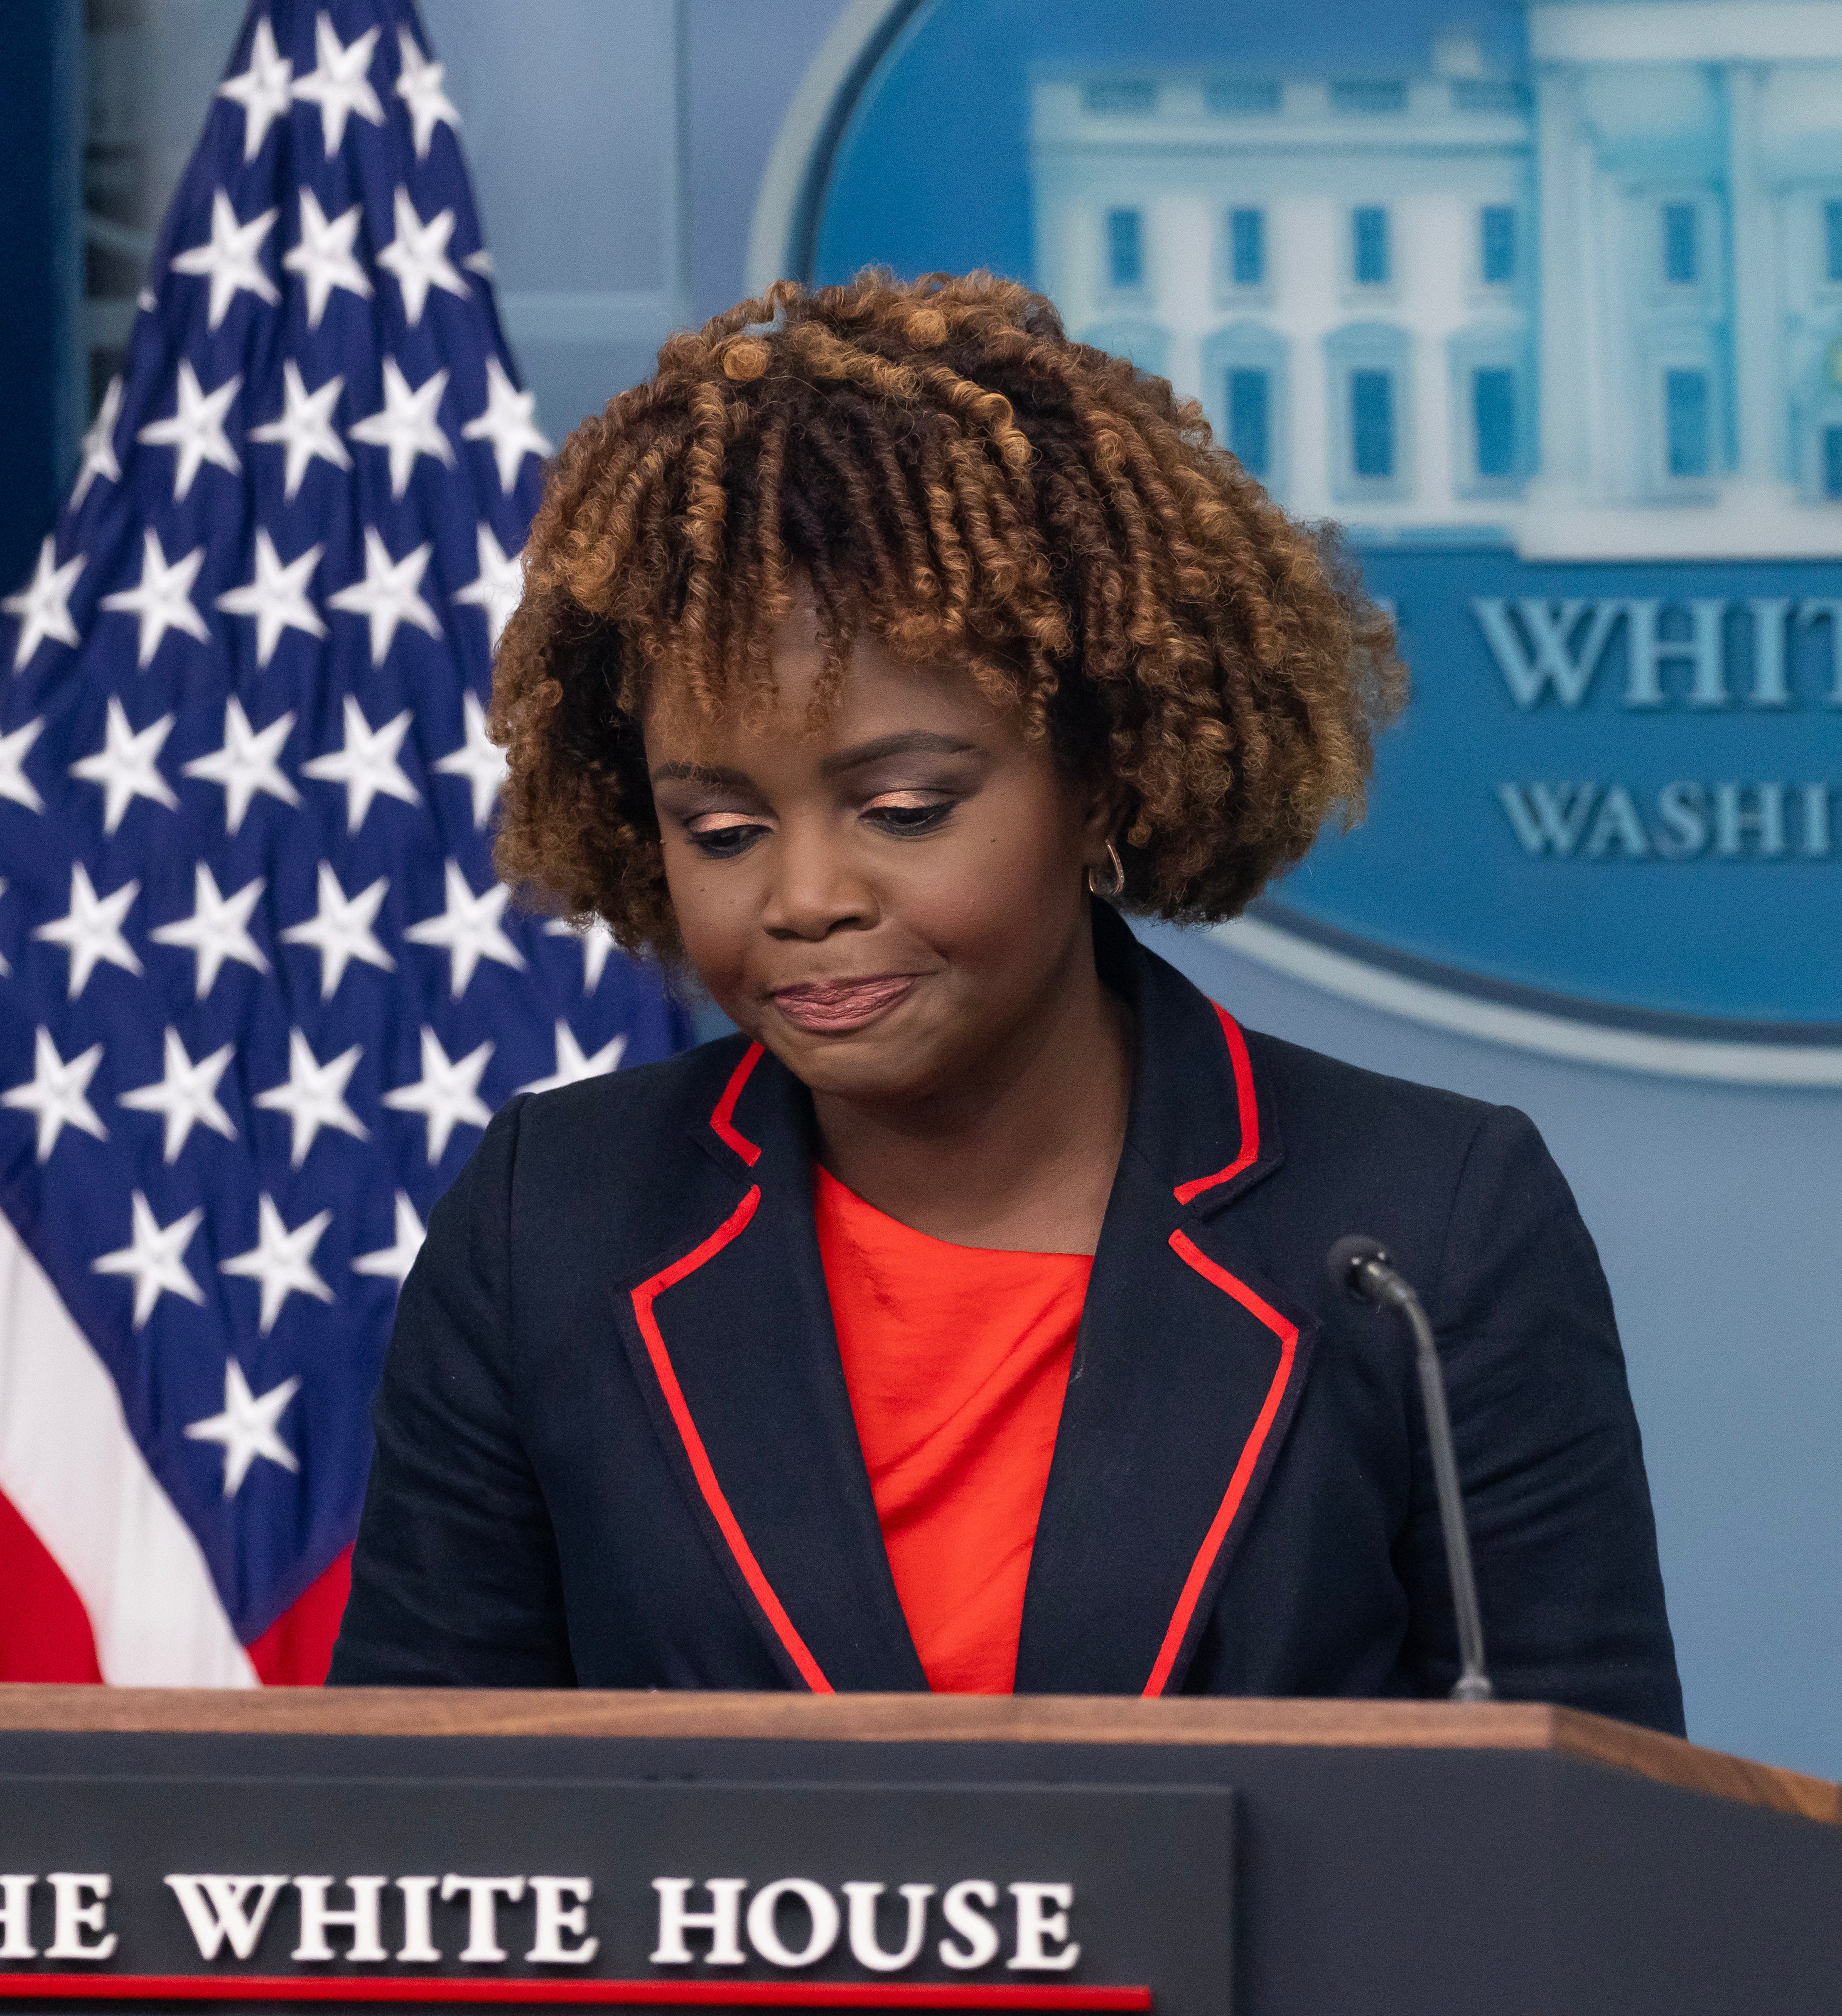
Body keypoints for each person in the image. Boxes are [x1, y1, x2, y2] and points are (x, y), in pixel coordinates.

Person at [329, 270, 1683, 1732]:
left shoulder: (1420, 1230)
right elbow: (421, 1853)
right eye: (720, 832)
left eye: (905, 809)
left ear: (1102, 775)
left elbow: (1585, 1860)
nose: (803, 896)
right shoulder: (556, 1223)